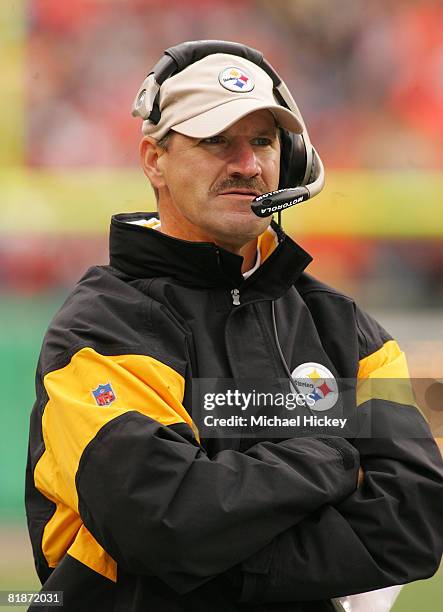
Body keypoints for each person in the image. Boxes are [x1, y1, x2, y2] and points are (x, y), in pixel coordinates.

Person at [25, 40, 443, 612]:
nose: (247, 164)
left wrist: (216, 555)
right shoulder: (97, 333)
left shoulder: (350, 331)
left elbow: (415, 522)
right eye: (216, 140)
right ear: (154, 160)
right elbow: (161, 520)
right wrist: (333, 458)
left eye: (264, 142)